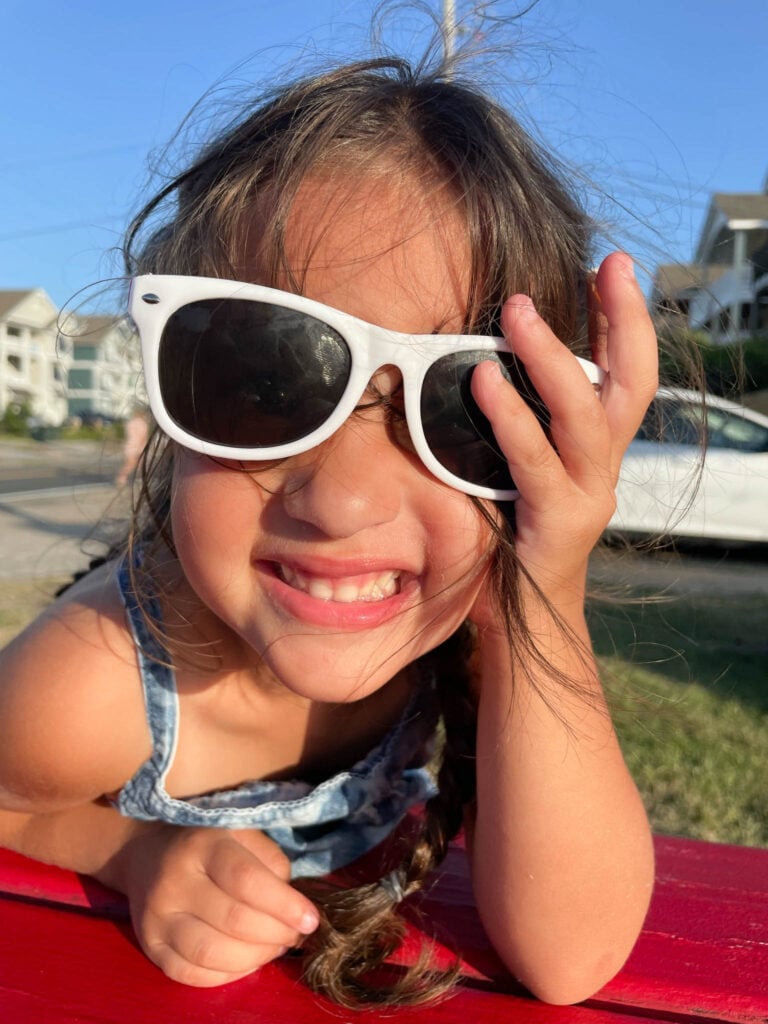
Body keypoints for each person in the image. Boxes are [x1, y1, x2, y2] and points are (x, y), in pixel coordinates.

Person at [0, 38, 658, 1011]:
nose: (343, 500)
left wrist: (545, 584)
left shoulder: (476, 625)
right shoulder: (91, 688)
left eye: (463, 410)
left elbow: (572, 956)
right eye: (266, 380)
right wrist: (133, 853)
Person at [115, 405, 150, 487]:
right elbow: (143, 436)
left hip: (130, 445)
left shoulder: (130, 423)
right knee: (137, 464)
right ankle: (123, 477)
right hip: (139, 446)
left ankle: (123, 477)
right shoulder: (142, 423)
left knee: (132, 463)